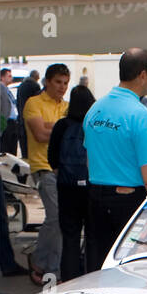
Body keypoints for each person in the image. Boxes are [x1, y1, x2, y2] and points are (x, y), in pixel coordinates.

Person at [82, 48, 147, 271]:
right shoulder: (141, 115)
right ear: (142, 74)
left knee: (97, 269)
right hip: (129, 205)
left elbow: (90, 161)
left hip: (95, 199)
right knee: (130, 268)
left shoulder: (95, 110)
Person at [23, 63, 70, 281]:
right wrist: (61, 128)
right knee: (57, 216)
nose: (62, 87)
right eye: (58, 82)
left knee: (59, 219)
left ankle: (40, 260)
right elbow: (40, 135)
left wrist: (52, 126)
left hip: (64, 168)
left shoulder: (67, 106)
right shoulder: (33, 103)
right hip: (43, 167)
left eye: (65, 83)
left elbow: (71, 131)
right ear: (47, 82)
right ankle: (51, 268)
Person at [48, 85, 96, 281]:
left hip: (67, 188)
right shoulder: (94, 125)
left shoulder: (61, 126)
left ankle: (69, 279)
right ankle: (92, 277)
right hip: (92, 187)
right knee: (93, 235)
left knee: (70, 236)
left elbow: (52, 158)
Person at [14, 70, 41, 157]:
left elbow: (17, 102)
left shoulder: (21, 86)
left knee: (24, 150)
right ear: (36, 77)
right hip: (31, 120)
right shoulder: (35, 86)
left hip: (21, 119)